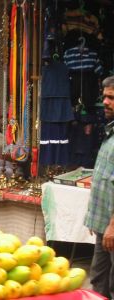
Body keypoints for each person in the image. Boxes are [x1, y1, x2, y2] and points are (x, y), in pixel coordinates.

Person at [84, 75, 114, 299]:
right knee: (98, 280)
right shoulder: (109, 132)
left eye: (112, 98)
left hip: (112, 226)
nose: (105, 102)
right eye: (104, 97)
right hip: (104, 225)